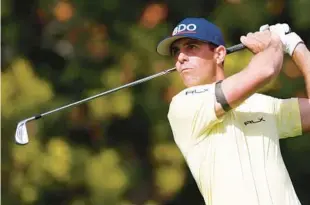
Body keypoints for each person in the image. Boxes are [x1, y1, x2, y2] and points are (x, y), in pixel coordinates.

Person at [156, 17, 310, 205]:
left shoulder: (261, 104)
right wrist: (276, 42)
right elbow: (266, 70)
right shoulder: (183, 105)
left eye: (191, 47)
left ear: (219, 54)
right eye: (176, 51)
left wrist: (296, 46)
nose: (180, 57)